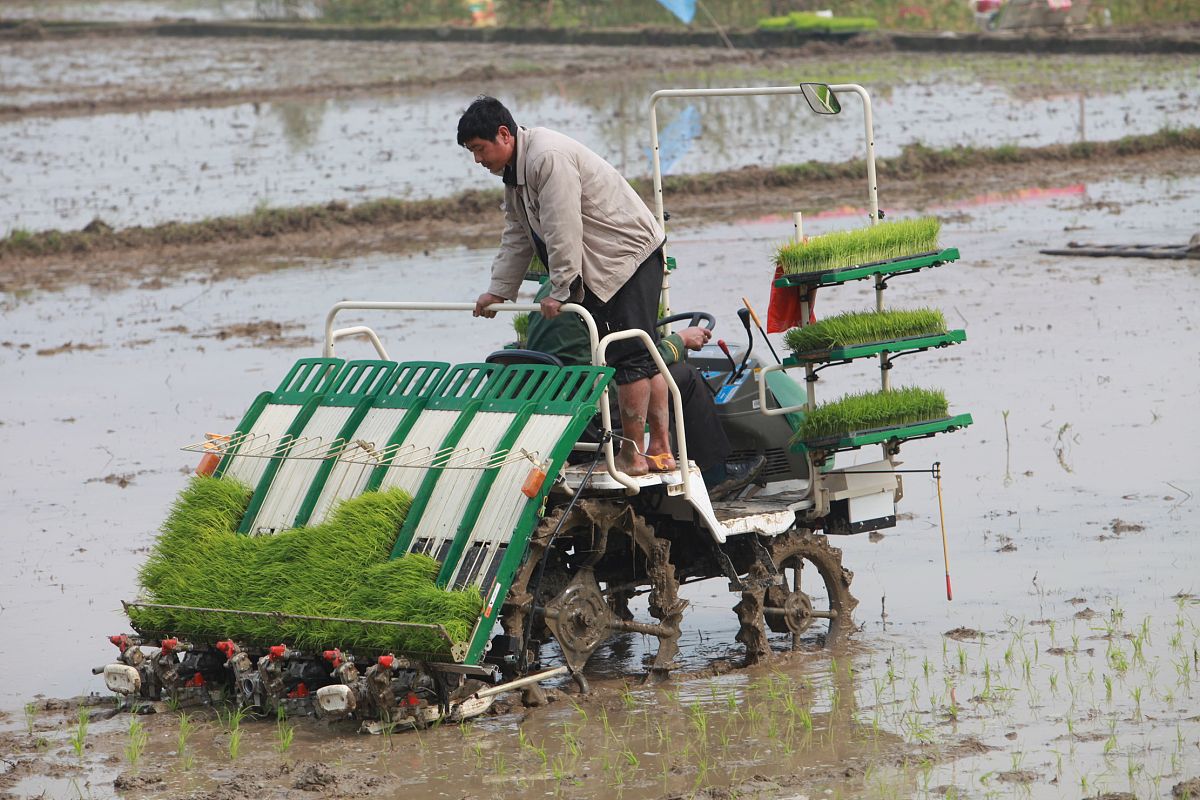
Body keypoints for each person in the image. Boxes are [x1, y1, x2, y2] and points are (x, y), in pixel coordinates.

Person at [458, 95, 671, 477]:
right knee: (639, 353)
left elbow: (563, 228)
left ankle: (638, 455)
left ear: (504, 135)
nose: (477, 160)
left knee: (630, 356)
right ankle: (657, 451)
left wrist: (560, 289)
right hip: (604, 260)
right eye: (472, 152)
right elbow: (518, 235)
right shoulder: (516, 173)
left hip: (626, 256)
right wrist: (499, 290)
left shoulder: (545, 158)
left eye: (479, 149)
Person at [518, 279, 765, 500]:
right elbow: (637, 359)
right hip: (597, 401)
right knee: (686, 377)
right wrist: (679, 341)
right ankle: (715, 474)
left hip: (562, 400)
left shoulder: (549, 290)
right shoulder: (600, 288)